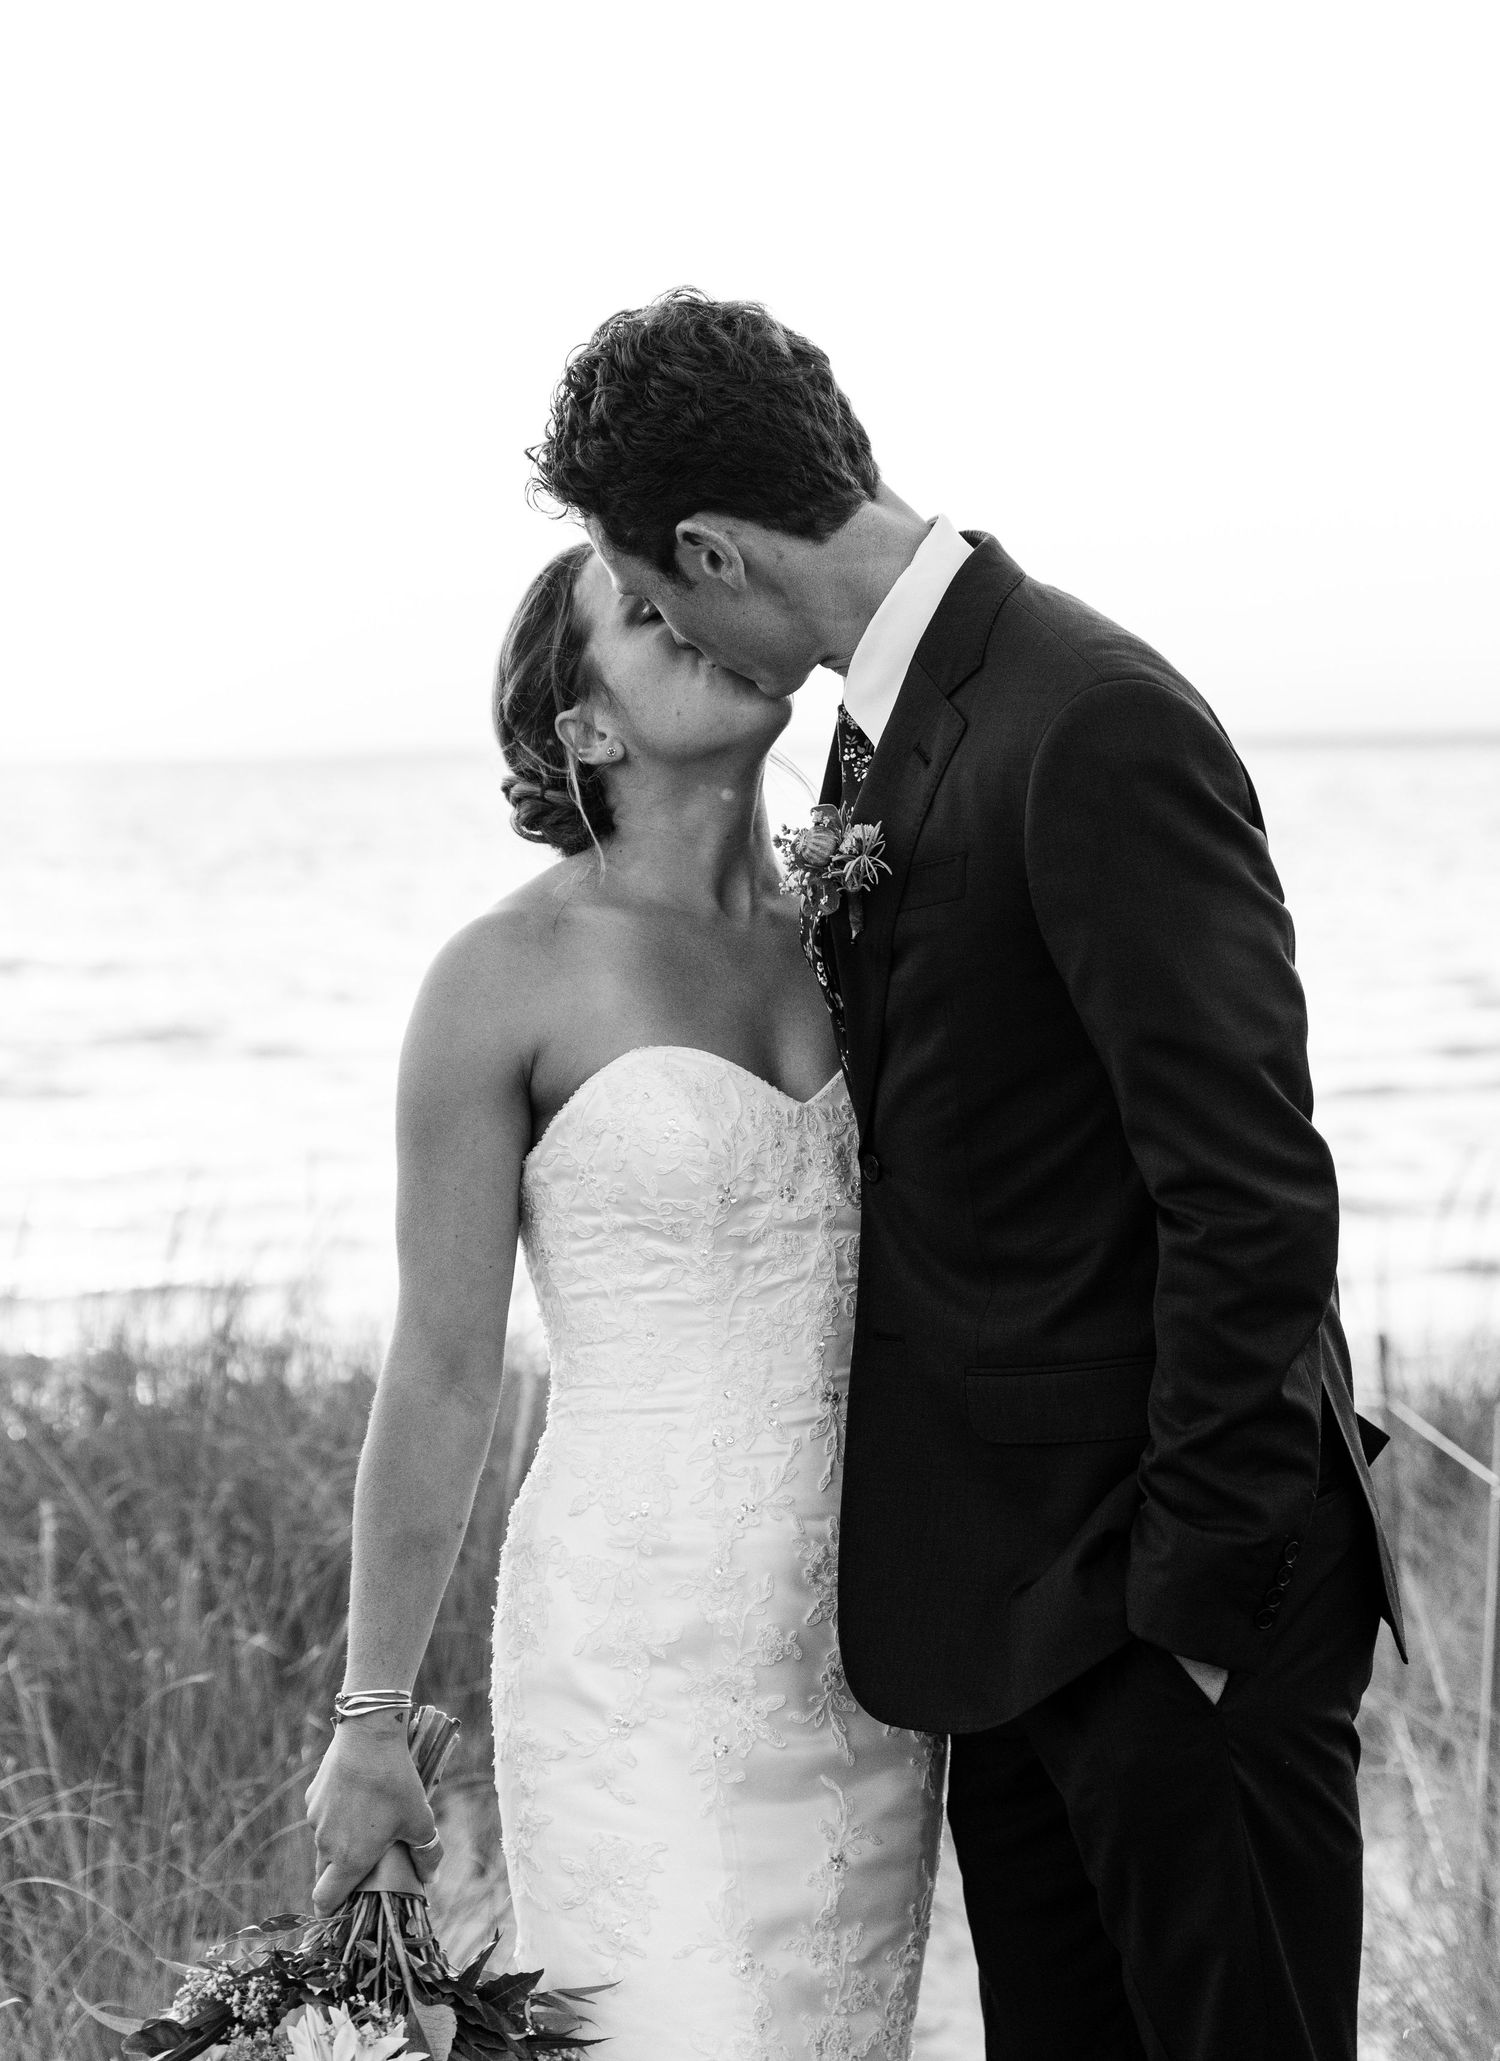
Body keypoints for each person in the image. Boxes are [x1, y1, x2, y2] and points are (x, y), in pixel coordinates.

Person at [527, 288, 1407, 2061]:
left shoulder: (1088, 718)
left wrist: (1193, 1612)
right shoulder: (892, 724)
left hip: (1165, 1629)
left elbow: (1250, 1184)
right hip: (1016, 1638)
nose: (673, 635)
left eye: (653, 592)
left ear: (709, 548)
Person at [304, 538, 947, 2061]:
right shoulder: (503, 977)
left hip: (868, 1659)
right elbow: (447, 1365)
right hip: (633, 1657)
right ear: (582, 726)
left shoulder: (858, 937)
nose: (705, 619)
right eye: (649, 615)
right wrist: (370, 1710)